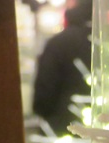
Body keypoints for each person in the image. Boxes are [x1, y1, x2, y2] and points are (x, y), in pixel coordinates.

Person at [33, 0, 92, 135]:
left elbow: (44, 92)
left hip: (61, 128)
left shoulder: (58, 43)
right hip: (101, 131)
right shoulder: (107, 43)